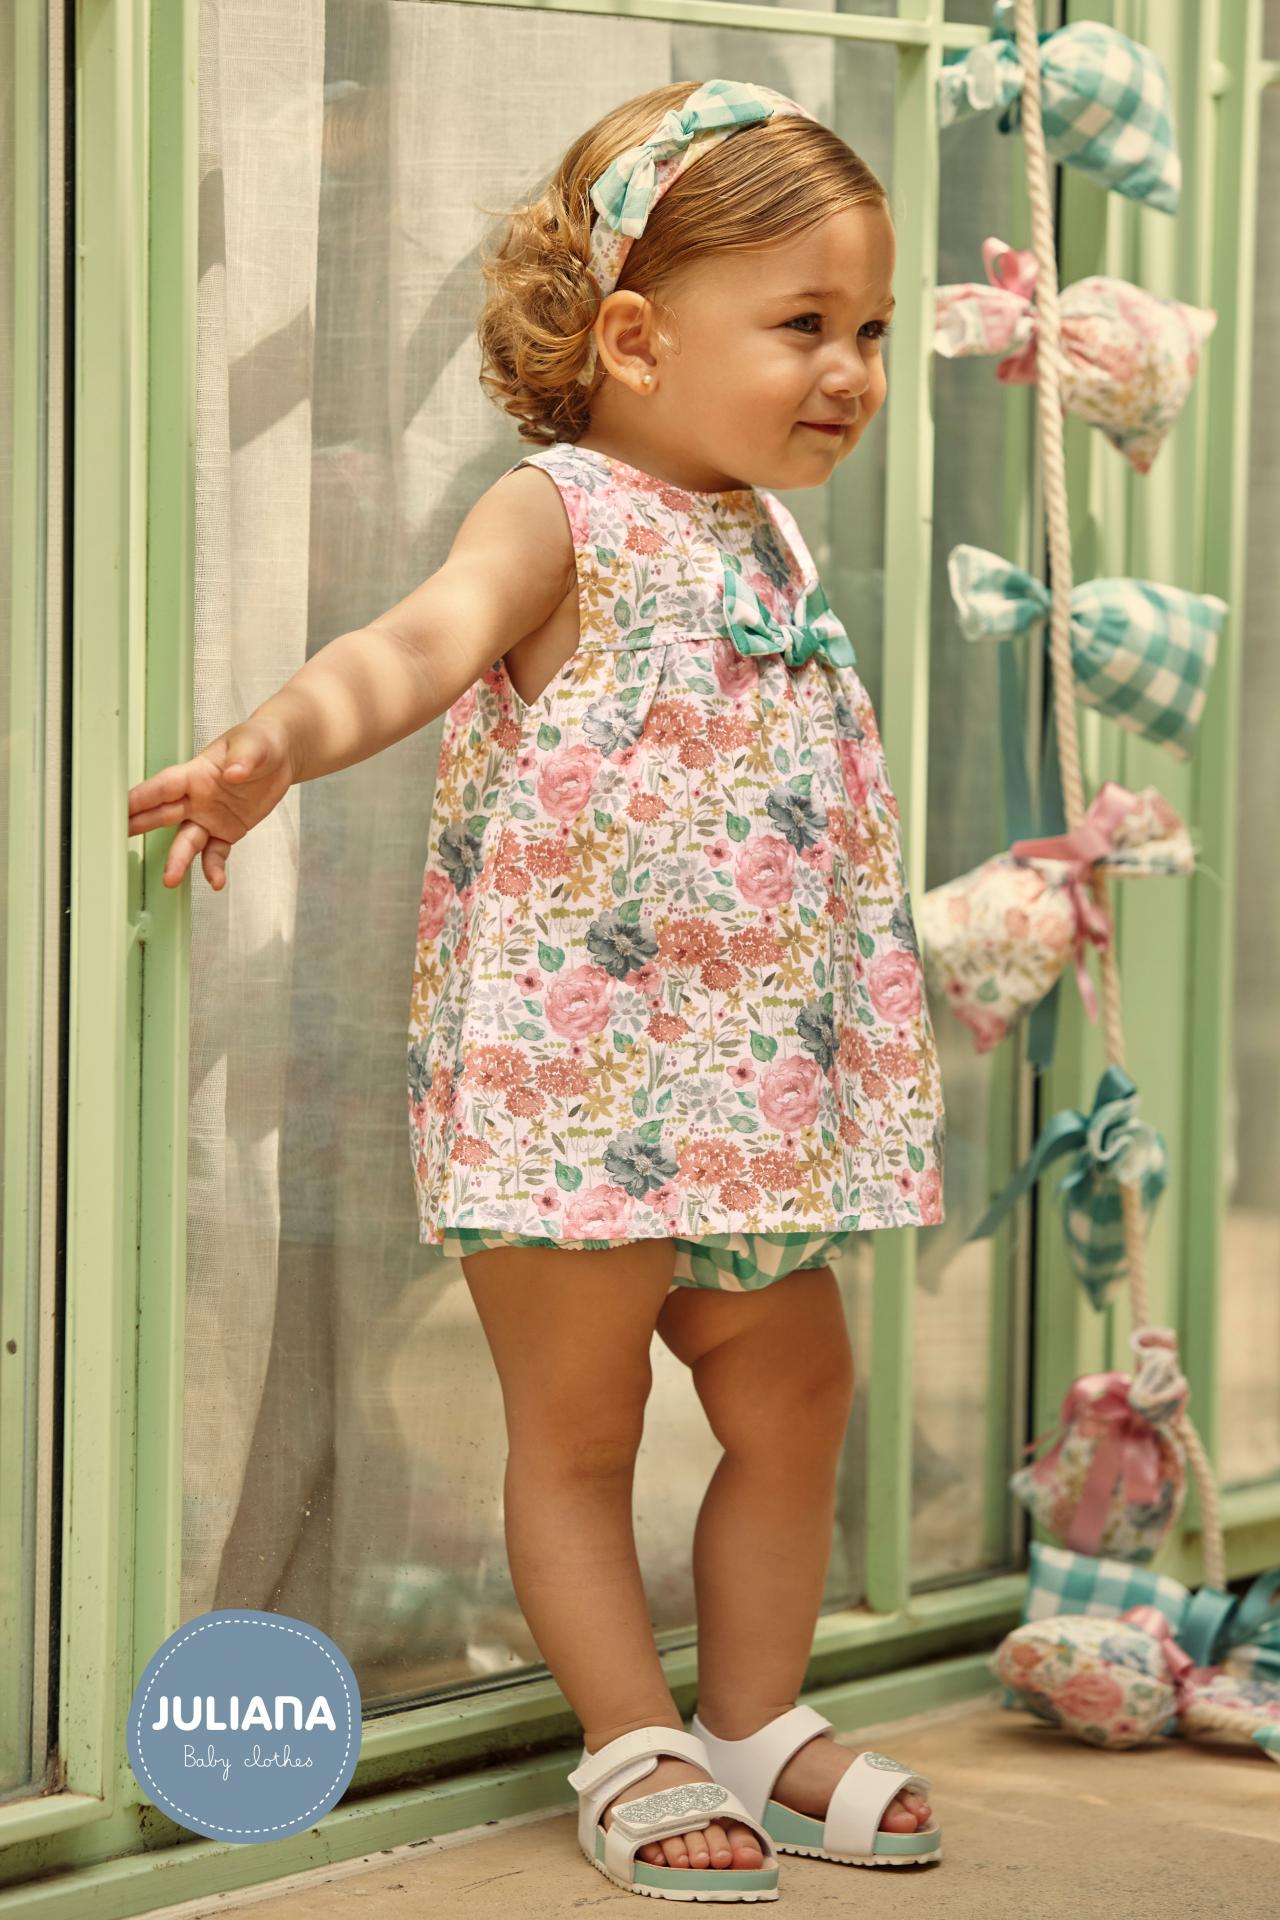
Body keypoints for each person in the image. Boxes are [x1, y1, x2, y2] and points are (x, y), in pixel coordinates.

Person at [128, 76, 945, 1902]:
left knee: (799, 1389)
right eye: (805, 324)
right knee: (577, 1435)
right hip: (578, 1091)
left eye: (874, 331)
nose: (851, 370)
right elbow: (416, 643)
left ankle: (755, 1715)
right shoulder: (557, 510)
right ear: (636, 340)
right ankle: (629, 1741)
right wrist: (277, 744)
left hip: (748, 1093)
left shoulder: (766, 535)